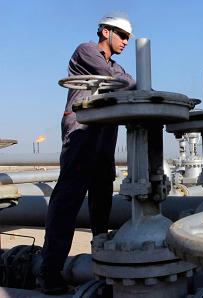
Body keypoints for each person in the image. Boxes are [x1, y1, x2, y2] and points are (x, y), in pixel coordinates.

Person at [38, 13, 136, 295]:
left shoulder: (115, 66)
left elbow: (127, 82)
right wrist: (129, 83)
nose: (125, 41)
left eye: (128, 37)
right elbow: (124, 84)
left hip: (104, 133)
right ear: (105, 32)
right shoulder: (87, 51)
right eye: (122, 35)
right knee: (68, 200)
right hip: (82, 130)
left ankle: (102, 267)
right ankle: (49, 272)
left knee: (102, 199)